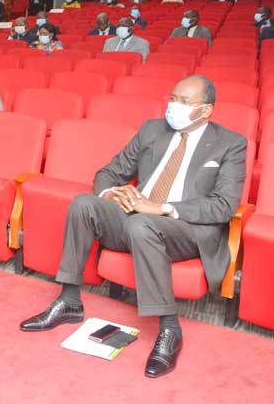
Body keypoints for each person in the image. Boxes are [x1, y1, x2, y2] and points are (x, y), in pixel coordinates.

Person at [20, 76, 246, 378]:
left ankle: (170, 329)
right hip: (136, 217)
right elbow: (109, 171)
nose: (174, 106)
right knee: (84, 204)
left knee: (142, 223)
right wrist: (110, 194)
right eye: (173, 98)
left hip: (186, 228)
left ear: (205, 110)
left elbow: (223, 205)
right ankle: (69, 301)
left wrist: (162, 208)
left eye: (184, 102)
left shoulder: (230, 144)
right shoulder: (153, 129)